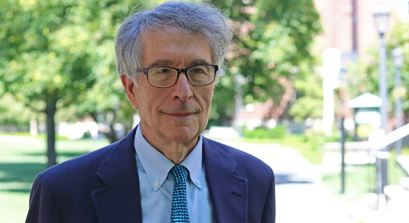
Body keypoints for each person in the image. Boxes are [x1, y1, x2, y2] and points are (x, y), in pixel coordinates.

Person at [26, 2, 275, 223]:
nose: (184, 92)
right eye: (163, 71)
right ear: (131, 89)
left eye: (198, 70)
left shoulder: (256, 181)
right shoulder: (63, 191)